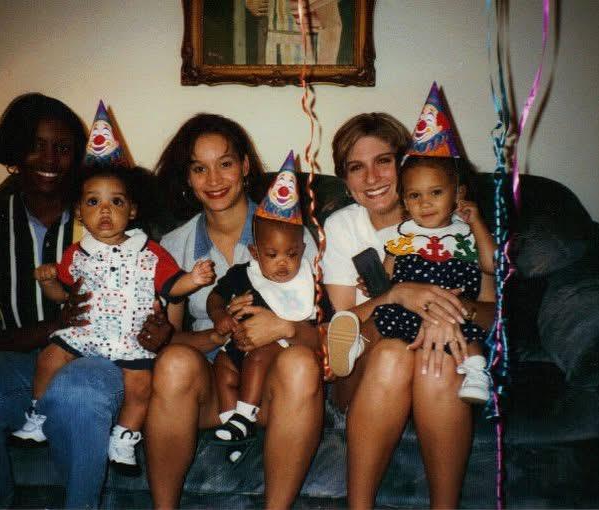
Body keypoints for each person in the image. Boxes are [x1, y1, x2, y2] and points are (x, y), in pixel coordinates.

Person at [0, 93, 171, 508]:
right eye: (36, 144)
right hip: (20, 362)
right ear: (14, 152)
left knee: (77, 394)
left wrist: (161, 329)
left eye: (62, 148)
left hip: (99, 362)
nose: (49, 158)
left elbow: (158, 301)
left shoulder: (109, 223)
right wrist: (52, 329)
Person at [320, 85, 495, 509]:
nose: (373, 178)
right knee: (392, 354)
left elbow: (492, 316)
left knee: (434, 361)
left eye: (383, 162)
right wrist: (398, 293)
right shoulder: (344, 227)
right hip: (366, 367)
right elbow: (347, 323)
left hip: (444, 357)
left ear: (406, 165)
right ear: (344, 179)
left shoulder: (456, 225)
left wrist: (454, 311)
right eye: (355, 167)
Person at [146, 113, 323, 509]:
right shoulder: (173, 246)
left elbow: (327, 337)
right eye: (199, 168)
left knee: (300, 364)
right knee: (173, 362)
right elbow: (169, 341)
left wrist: (284, 326)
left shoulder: (291, 235)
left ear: (244, 167)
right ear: (187, 178)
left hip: (277, 383)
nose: (213, 180)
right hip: (213, 384)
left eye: (225, 163)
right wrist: (216, 332)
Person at [12, 164, 215, 473]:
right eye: (93, 202)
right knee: (49, 358)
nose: (105, 210)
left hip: (130, 339)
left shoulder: (150, 252)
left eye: (116, 202)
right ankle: (39, 414)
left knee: (142, 387)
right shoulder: (76, 253)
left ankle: (123, 438)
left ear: (132, 210)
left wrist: (195, 279)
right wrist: (48, 281)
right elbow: (64, 297)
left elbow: (172, 285)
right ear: (79, 211)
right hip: (86, 333)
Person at [327, 152, 496, 404]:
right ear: (405, 200)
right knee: (384, 317)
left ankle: (475, 372)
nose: (425, 203)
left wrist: (478, 224)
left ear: (458, 194)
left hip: (453, 310)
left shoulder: (468, 235)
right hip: (408, 310)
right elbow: (387, 276)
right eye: (415, 196)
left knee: (464, 334)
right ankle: (357, 345)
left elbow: (491, 266)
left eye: (435, 193)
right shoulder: (404, 237)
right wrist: (375, 284)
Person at [207, 152, 317, 462]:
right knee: (222, 368)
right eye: (272, 254)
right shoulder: (243, 273)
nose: (283, 263)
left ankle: (244, 415)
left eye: (292, 254)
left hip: (277, 351)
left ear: (303, 250)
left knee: (257, 356)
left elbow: (321, 327)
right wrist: (219, 315)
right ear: (255, 252)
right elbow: (215, 297)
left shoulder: (311, 283)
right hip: (236, 347)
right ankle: (233, 423)